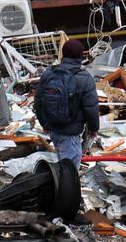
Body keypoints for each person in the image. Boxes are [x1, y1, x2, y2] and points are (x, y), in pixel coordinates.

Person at [34, 38, 99, 171]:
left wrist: (44, 124)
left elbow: (38, 101)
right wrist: (94, 128)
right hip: (70, 132)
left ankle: (61, 187)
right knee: (69, 170)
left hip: (53, 129)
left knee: (62, 163)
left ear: (63, 54)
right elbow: (91, 108)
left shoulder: (49, 74)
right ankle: (65, 190)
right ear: (80, 56)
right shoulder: (85, 78)